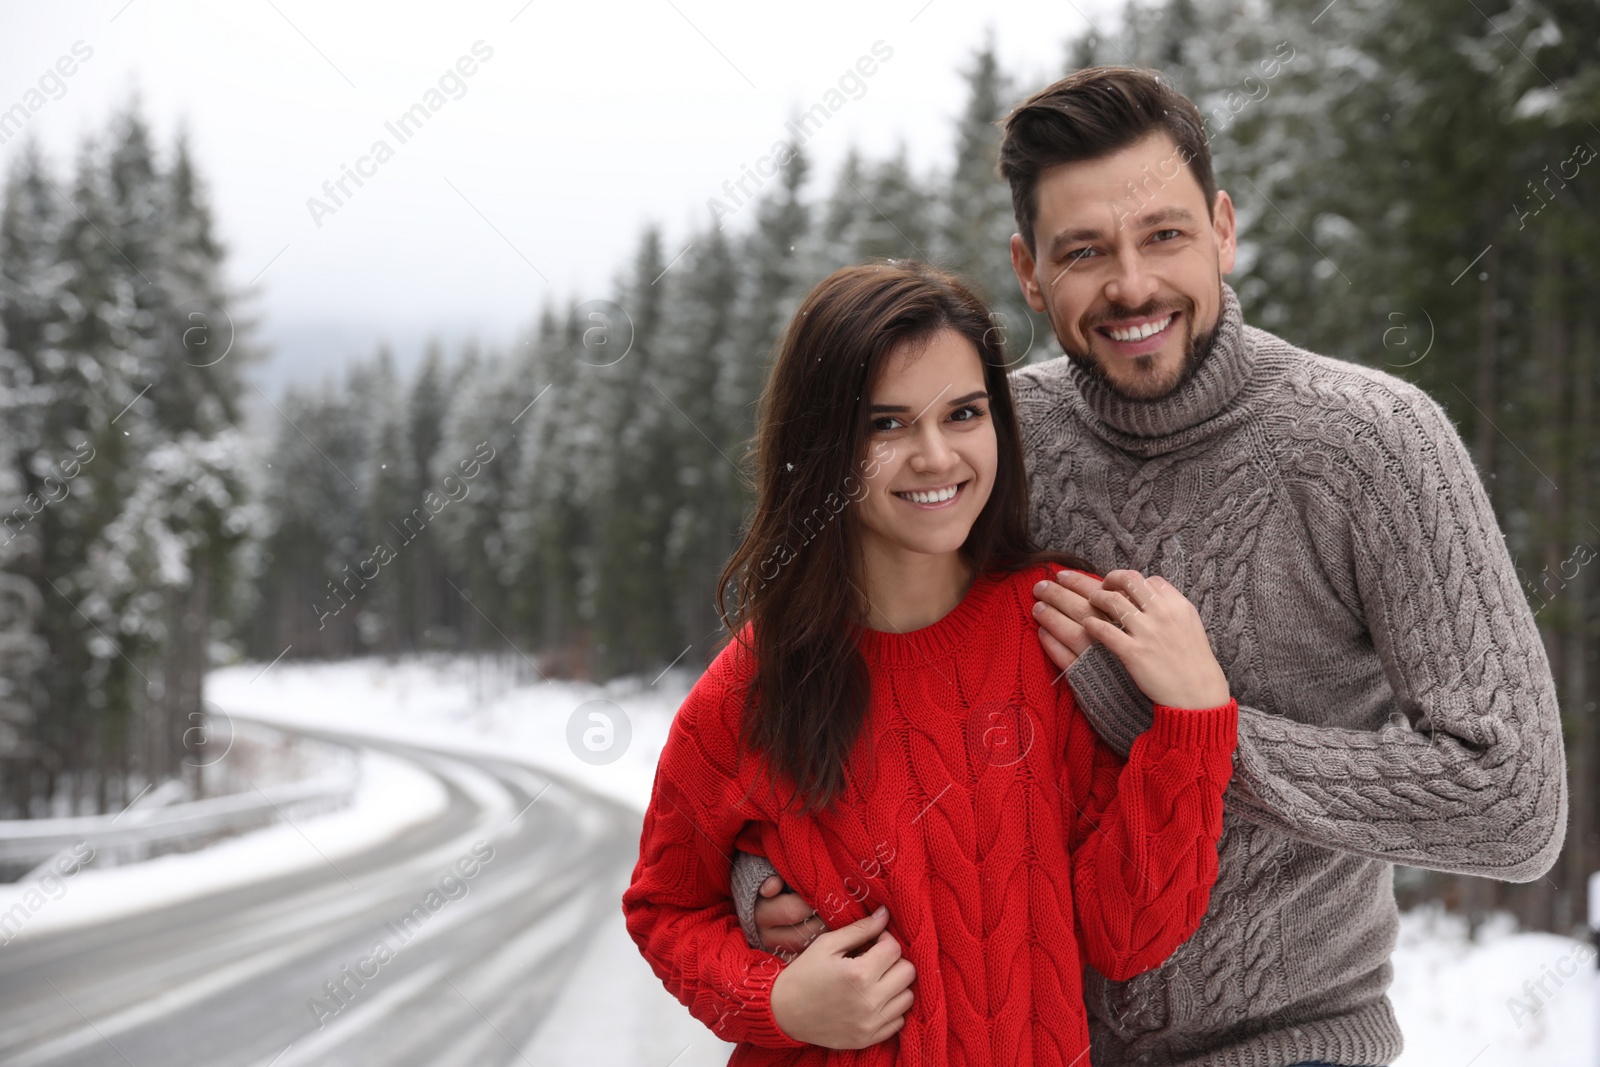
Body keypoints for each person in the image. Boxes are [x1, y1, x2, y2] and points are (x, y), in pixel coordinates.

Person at [734, 67, 1568, 1067]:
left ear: (1222, 228)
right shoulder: (983, 439)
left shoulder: (1369, 444)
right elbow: (853, 673)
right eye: (1084, 251)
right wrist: (763, 869)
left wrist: (1179, 729)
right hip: (1011, 1036)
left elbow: (1511, 801)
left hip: (1284, 1039)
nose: (1130, 284)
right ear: (1029, 269)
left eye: (1163, 234)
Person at [622, 260, 1241, 1065]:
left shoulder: (1057, 623)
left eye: (963, 412)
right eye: (886, 424)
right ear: (823, 446)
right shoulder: (757, 682)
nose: (936, 455)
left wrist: (1194, 723)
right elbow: (663, 908)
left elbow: (1126, 937)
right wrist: (775, 999)